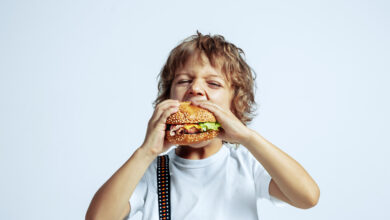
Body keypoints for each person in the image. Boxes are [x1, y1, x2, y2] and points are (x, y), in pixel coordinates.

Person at [86, 31, 320, 220]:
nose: (195, 89)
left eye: (213, 83)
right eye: (184, 80)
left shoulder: (245, 166)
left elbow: (307, 197)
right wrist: (146, 152)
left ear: (235, 105)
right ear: (168, 99)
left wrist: (248, 138)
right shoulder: (150, 173)